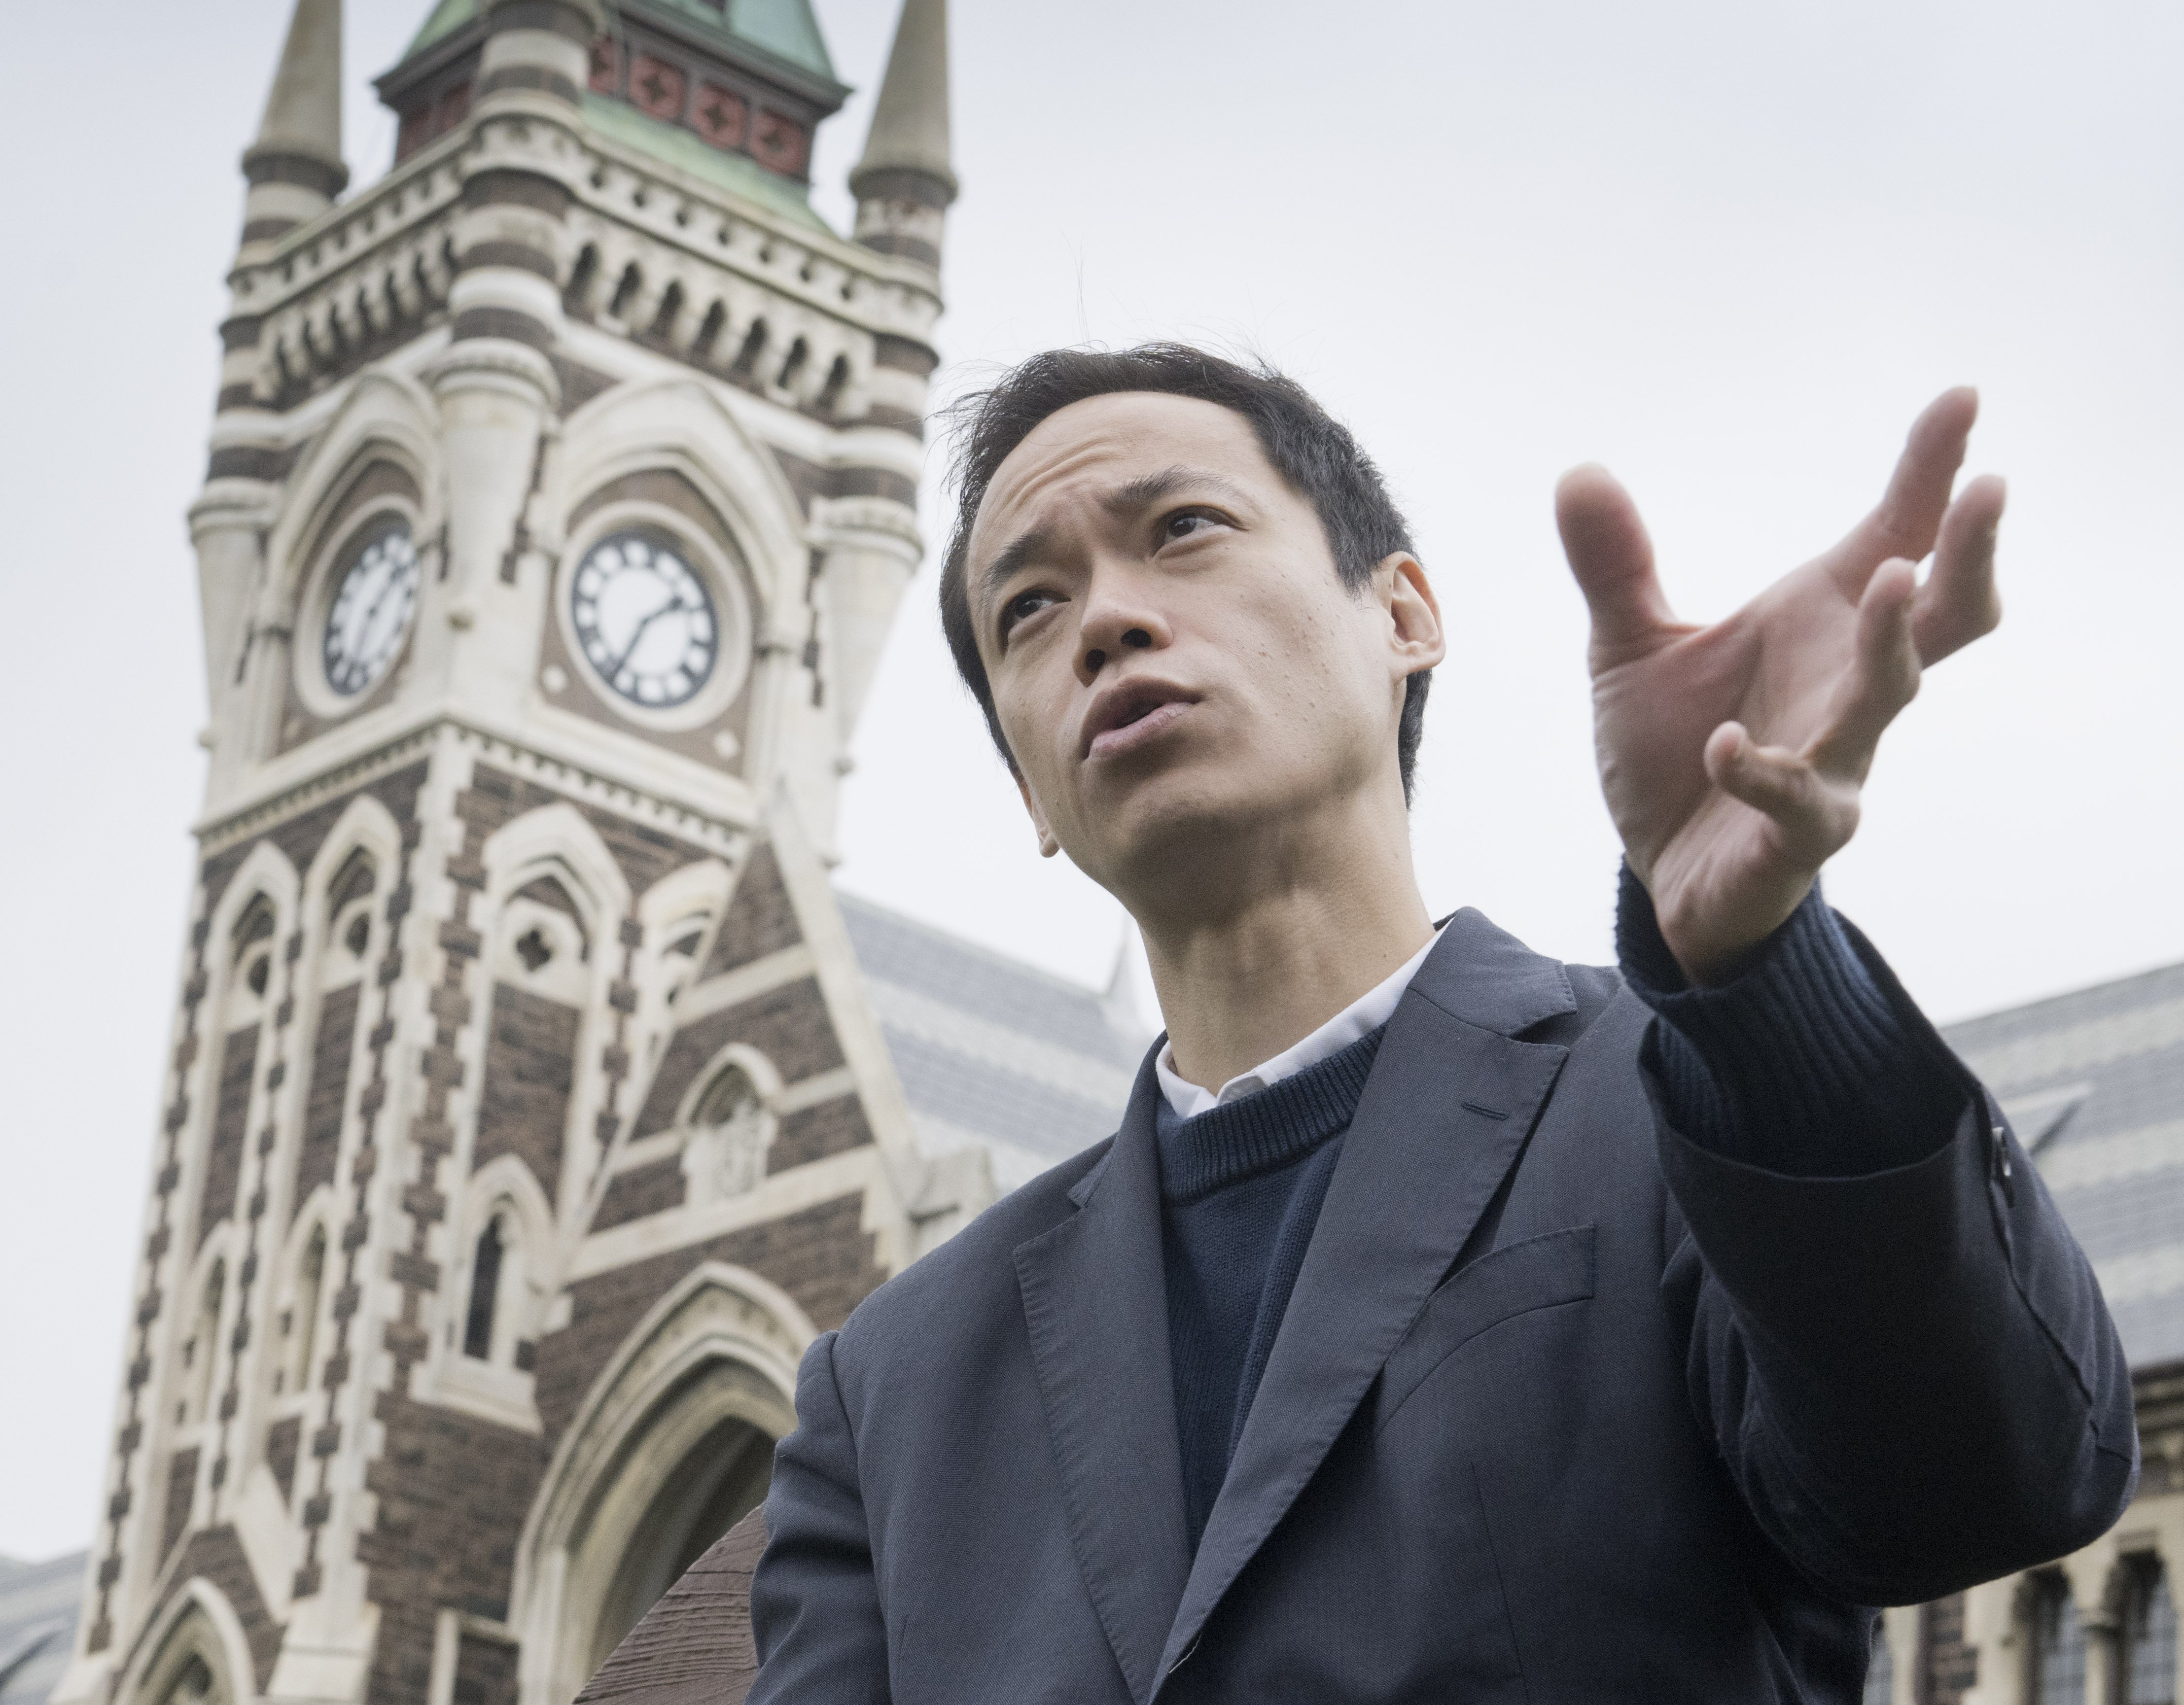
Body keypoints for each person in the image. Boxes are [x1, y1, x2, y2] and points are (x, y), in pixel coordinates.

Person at [744, 346, 2134, 1702]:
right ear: (1034, 797)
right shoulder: (893, 1392)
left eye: (1181, 529)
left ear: (1402, 614)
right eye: (1028, 611)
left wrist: (1760, 975)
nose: (1104, 617)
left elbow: (1986, 1487)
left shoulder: (1672, 1122)